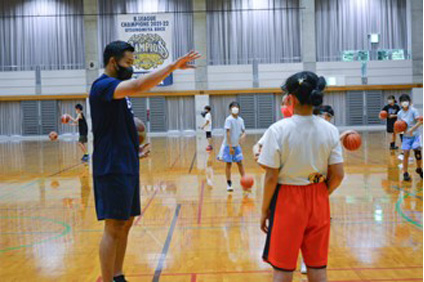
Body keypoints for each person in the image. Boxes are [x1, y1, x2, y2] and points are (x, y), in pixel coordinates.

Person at [89, 40, 200, 282]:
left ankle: (118, 275)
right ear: (112, 62)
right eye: (128, 62)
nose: (131, 66)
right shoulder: (103, 86)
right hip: (111, 165)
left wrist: (134, 150)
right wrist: (171, 67)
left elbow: (119, 125)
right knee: (113, 226)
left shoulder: (117, 87)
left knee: (126, 222)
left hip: (127, 161)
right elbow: (139, 84)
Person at [258, 71, 345, 282]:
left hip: (287, 199)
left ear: (292, 98)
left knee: (283, 269)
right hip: (319, 198)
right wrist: (323, 192)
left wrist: (264, 210)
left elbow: (271, 177)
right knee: (317, 267)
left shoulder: (278, 130)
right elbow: (339, 174)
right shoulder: (330, 130)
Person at [217, 101, 246, 192]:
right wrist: (229, 146)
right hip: (228, 145)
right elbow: (228, 133)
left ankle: (245, 181)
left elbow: (243, 131)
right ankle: (229, 183)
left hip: (236, 145)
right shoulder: (228, 119)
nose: (235, 108)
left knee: (240, 163)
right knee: (228, 164)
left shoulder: (241, 120)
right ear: (230, 109)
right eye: (233, 107)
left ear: (239, 109)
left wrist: (243, 136)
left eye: (236, 107)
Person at [397, 94, 423, 181]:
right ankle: (405, 172)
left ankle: (419, 168)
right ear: (400, 103)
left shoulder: (414, 111)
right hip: (406, 137)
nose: (404, 103)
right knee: (406, 153)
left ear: (409, 102)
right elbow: (398, 126)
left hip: (415, 136)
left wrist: (412, 129)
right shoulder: (399, 113)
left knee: (417, 153)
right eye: (402, 101)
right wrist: (398, 130)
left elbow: (420, 122)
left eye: (406, 101)